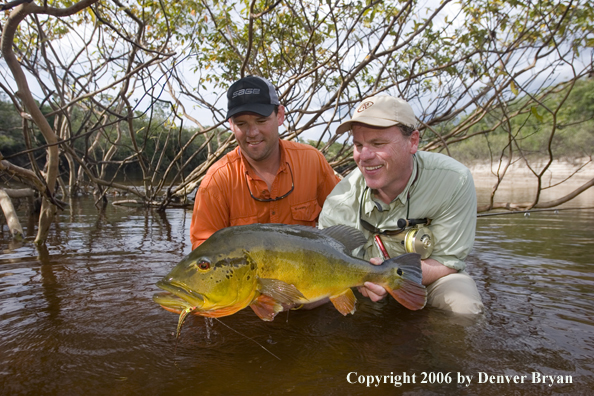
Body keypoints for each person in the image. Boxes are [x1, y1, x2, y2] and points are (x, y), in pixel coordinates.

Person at [318, 95, 484, 314]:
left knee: (464, 308)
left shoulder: (453, 180)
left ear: (413, 141)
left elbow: (448, 261)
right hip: (359, 282)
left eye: (378, 143)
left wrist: (388, 278)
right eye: (358, 144)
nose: (364, 156)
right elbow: (324, 265)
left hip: (430, 277)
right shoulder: (340, 199)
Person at [190, 75, 340, 249]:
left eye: (261, 121)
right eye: (241, 124)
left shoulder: (312, 161)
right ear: (231, 124)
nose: (252, 132)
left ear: (280, 115)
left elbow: (345, 218)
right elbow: (205, 253)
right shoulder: (216, 182)